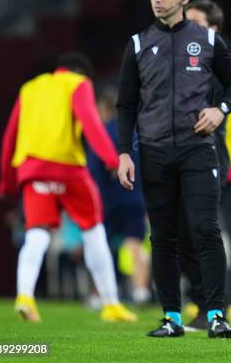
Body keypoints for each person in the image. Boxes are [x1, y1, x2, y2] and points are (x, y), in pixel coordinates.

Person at [116, 0, 231, 339]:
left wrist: (220, 110)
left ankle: (216, 314)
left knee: (206, 230)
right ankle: (172, 317)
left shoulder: (206, 39)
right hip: (154, 153)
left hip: (197, 151)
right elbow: (125, 106)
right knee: (163, 238)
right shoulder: (138, 44)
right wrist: (125, 152)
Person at [0, 53, 137, 323]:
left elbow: (10, 135)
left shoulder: (30, 88)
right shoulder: (78, 84)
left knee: (36, 234)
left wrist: (6, 179)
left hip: (33, 169)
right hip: (68, 169)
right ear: (81, 73)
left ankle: (25, 295)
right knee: (94, 230)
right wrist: (112, 159)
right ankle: (111, 304)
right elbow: (91, 123)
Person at [185, 0, 231, 318]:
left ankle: (222, 299)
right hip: (229, 162)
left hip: (226, 162)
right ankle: (228, 300)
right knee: (217, 233)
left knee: (216, 232)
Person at [87, 89, 150, 305]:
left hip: (108, 200)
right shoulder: (137, 133)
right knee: (135, 244)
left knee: (100, 246)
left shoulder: (101, 132)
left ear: (104, 108)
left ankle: (97, 296)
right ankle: (141, 291)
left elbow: (93, 170)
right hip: (136, 198)